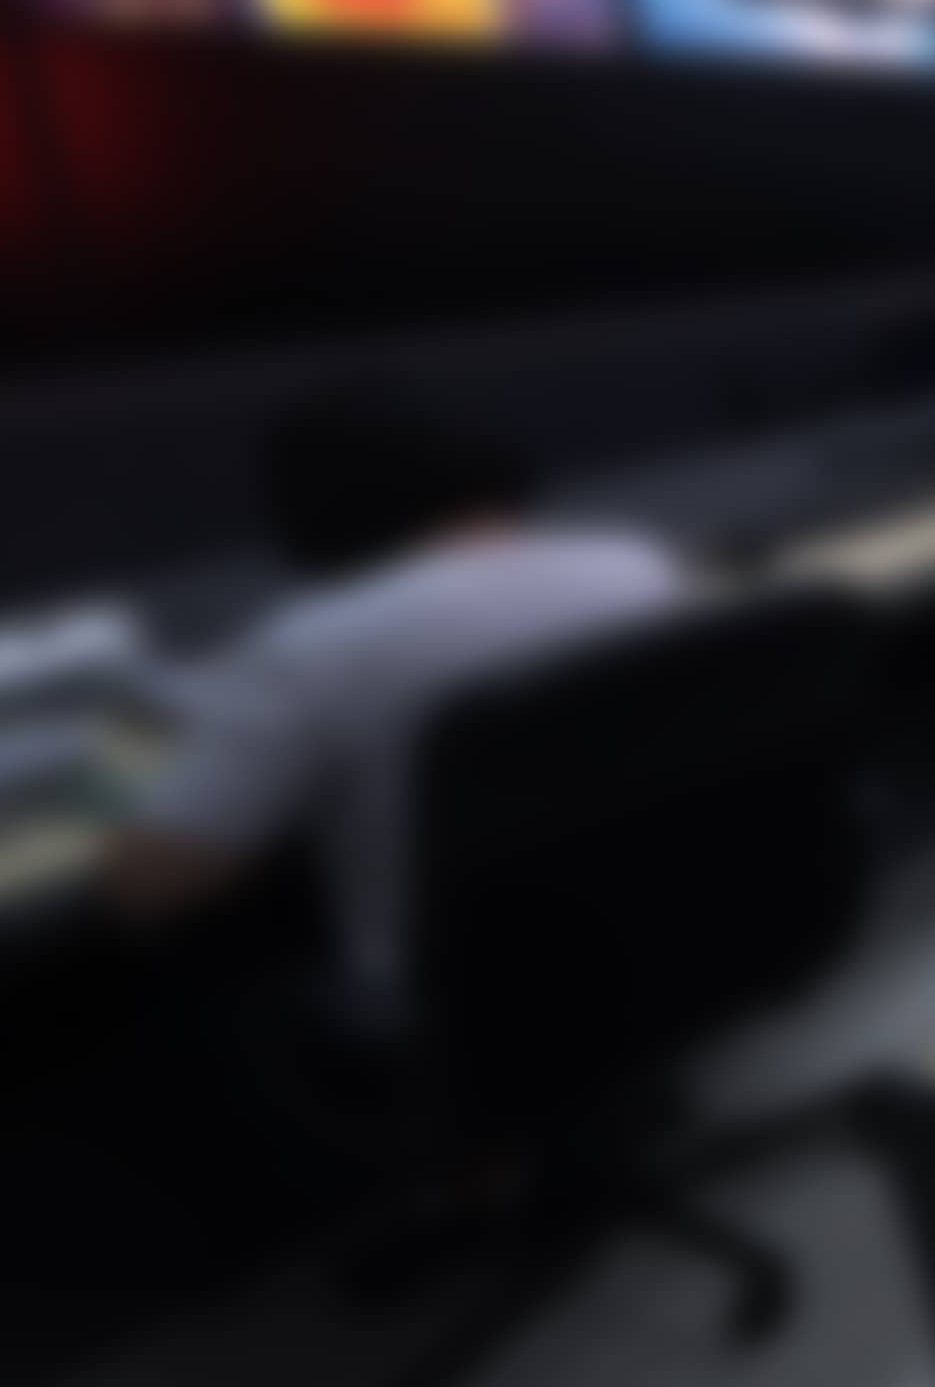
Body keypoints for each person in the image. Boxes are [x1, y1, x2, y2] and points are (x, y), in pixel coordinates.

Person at [104, 387, 692, 1023]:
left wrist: (130, 734)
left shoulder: (306, 648)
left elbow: (146, 890)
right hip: (659, 961)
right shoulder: (638, 565)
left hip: (456, 1016)